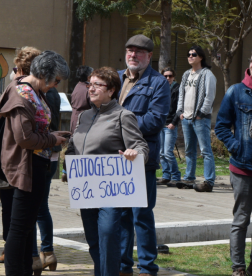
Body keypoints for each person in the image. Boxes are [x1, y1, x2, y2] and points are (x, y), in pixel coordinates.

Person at [65, 67, 149, 276]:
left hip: (111, 190)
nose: (90, 89)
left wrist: (134, 152)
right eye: (89, 84)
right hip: (86, 188)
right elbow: (74, 146)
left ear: (111, 90)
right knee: (93, 239)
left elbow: (141, 146)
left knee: (109, 234)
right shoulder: (84, 116)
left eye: (97, 85)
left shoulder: (123, 115)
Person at [0, 50, 69, 276]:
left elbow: (34, 129)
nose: (56, 85)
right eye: (56, 80)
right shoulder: (23, 94)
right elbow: (24, 138)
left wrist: (53, 134)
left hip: (36, 165)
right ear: (45, 74)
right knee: (18, 230)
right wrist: (52, 139)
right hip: (26, 166)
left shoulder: (35, 92)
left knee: (27, 229)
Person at [118, 34, 170, 276]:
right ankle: (122, 265)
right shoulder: (115, 78)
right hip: (115, 157)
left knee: (141, 214)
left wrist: (118, 124)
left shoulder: (159, 83)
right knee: (121, 215)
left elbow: (155, 120)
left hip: (141, 157)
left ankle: (148, 267)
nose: (133, 55)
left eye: (139, 52)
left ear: (149, 56)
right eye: (130, 50)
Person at [0, 46, 41, 265]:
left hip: (15, 160)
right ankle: (24, 259)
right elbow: (23, 136)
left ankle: (23, 258)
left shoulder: (23, 88)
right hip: (20, 160)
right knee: (21, 221)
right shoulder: (24, 90)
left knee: (18, 219)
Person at [215, 56, 252, 276]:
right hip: (242, 167)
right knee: (241, 219)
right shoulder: (236, 92)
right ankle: (238, 268)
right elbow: (220, 127)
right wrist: (235, 145)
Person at [176, 46, 216, 192]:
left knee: (205, 150)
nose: (190, 56)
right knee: (189, 150)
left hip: (200, 119)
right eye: (188, 54)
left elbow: (209, 96)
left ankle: (209, 181)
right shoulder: (186, 74)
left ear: (201, 57)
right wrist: (180, 111)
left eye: (193, 54)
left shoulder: (207, 74)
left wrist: (201, 112)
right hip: (186, 118)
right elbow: (181, 93)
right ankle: (189, 177)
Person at [32, 85, 62, 273]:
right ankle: (47, 252)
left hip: (43, 153)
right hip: (50, 152)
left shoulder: (41, 93)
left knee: (37, 206)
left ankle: (38, 254)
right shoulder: (51, 93)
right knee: (41, 205)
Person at [157, 67, 181, 187]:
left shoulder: (177, 88)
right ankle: (166, 176)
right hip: (160, 124)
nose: (167, 78)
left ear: (174, 77)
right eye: (165, 76)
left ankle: (176, 176)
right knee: (161, 152)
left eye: (170, 76)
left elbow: (180, 107)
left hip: (170, 124)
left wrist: (174, 122)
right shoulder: (160, 88)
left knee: (168, 152)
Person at [70, 65, 92, 133]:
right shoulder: (87, 89)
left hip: (75, 119)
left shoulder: (78, 85)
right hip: (82, 123)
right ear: (89, 78)